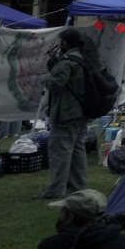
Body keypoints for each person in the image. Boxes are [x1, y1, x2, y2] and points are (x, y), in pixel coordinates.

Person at [38, 28, 99, 200]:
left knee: (60, 151)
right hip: (81, 111)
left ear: (65, 43)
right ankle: (78, 184)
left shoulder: (67, 62)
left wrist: (44, 78)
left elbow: (57, 84)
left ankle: (56, 189)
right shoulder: (83, 59)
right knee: (77, 149)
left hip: (66, 112)